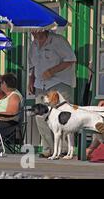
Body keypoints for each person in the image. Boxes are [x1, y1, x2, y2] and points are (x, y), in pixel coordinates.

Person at [28, 30, 76, 158]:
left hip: (59, 82)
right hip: (40, 84)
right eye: (33, 31)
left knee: (63, 116)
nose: (35, 33)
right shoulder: (33, 45)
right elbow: (32, 66)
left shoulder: (58, 40)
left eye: (37, 30)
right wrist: (31, 80)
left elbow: (71, 59)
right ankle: (48, 148)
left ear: (45, 28)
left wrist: (52, 71)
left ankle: (65, 149)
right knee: (39, 116)